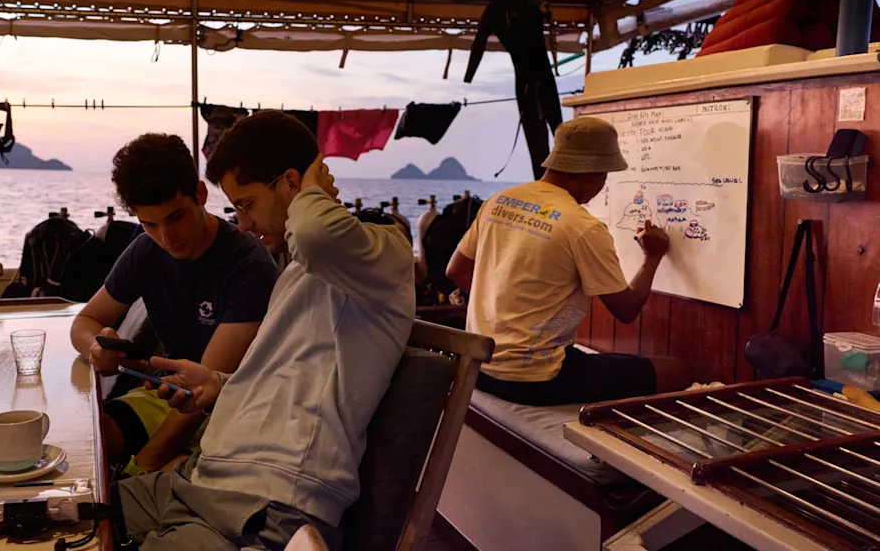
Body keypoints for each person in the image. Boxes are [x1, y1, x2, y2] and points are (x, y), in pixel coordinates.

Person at [113, 111, 415, 550]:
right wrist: (217, 384)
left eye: (246, 204)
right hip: (206, 476)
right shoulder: (297, 273)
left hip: (267, 499)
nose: (243, 224)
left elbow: (314, 233)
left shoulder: (385, 254)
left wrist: (311, 189)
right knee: (76, 508)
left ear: (291, 183)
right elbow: (289, 375)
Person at [70, 133, 278, 475]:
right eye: (149, 224)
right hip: (166, 398)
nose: (166, 237)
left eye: (175, 217)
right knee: (87, 444)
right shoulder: (144, 251)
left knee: (153, 474)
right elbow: (85, 320)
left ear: (201, 194)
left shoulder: (248, 265)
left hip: (233, 411)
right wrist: (96, 348)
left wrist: (141, 468)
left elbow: (202, 391)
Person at [446, 116, 690, 406]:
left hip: (480, 366)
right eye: (605, 175)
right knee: (677, 370)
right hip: (536, 379)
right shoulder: (582, 226)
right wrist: (652, 256)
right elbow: (627, 309)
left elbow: (456, 270)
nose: (604, 184)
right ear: (591, 172)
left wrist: (501, 309)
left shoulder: (498, 202)